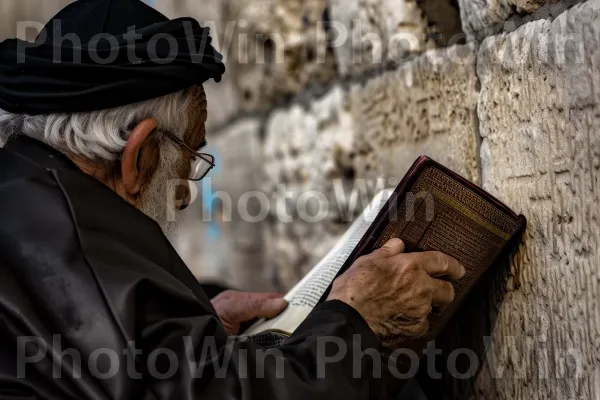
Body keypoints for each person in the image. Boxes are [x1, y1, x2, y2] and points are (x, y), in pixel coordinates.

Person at [0, 1, 464, 399]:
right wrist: (355, 321)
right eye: (189, 156)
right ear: (139, 155)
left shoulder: (29, 195)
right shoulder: (72, 238)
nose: (183, 194)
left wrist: (196, 322)